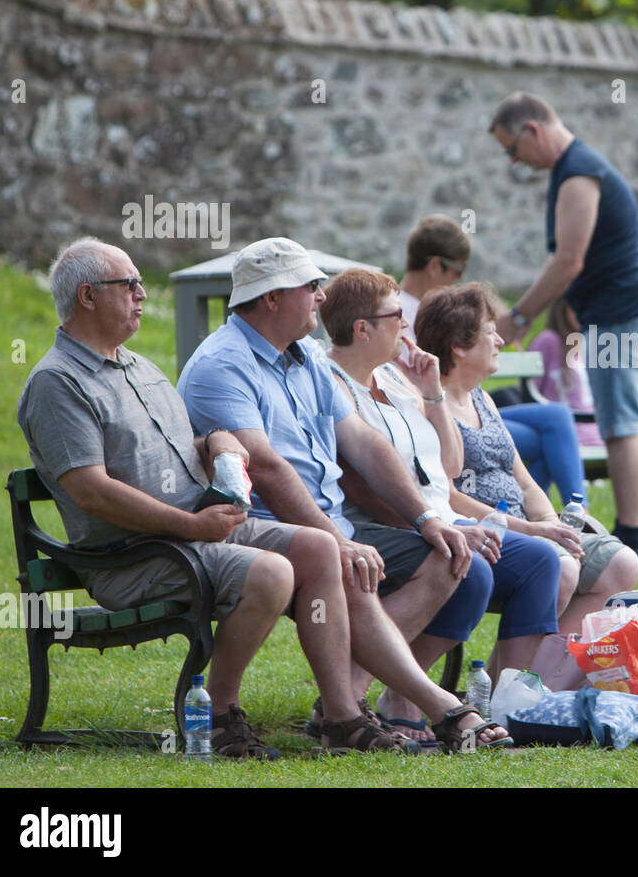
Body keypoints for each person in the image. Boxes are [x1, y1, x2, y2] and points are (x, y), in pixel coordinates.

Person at [17, 238, 410, 756]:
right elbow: (92, 491)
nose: (142, 295)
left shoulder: (139, 368)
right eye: (129, 285)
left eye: (139, 284)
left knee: (319, 547)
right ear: (87, 297)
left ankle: (341, 716)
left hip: (193, 532)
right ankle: (218, 713)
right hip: (135, 556)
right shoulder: (58, 383)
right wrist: (193, 527)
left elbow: (188, 449)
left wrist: (218, 442)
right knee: (273, 572)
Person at [178, 237, 511, 751]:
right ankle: (397, 710)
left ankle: (353, 707)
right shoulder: (222, 364)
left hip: (325, 526)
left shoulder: (307, 357)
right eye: (310, 287)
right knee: (336, 555)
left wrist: (427, 518)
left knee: (447, 553)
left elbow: (362, 442)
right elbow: (265, 469)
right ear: (271, 298)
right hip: (255, 527)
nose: (320, 297)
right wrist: (339, 537)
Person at [319, 268, 561, 737]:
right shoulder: (331, 383)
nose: (406, 325)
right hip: (389, 523)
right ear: (362, 329)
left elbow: (447, 468)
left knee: (540, 562)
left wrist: (430, 393)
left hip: (435, 516)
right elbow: (360, 485)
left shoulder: (394, 376)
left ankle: (489, 701)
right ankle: (359, 697)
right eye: (396, 316)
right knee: (470, 566)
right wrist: (427, 524)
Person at [487, 91, 638, 566]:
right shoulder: (572, 171)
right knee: (616, 420)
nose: (514, 160)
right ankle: (632, 537)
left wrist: (518, 317)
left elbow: (568, 261)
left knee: (620, 425)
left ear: (533, 131)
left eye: (512, 148)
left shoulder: (579, 174)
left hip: (621, 311)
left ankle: (633, 541)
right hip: (610, 311)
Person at [415, 284, 638, 636]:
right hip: (484, 536)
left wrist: (556, 526)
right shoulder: (430, 405)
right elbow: (444, 494)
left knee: (621, 563)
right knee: (561, 566)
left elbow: (522, 479)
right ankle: (513, 676)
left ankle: (543, 672)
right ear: (458, 347)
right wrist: (535, 532)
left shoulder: (482, 399)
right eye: (490, 334)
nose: (500, 341)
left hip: (529, 530)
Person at [400, 214, 589, 509]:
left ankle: (567, 516)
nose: (459, 279)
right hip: (441, 412)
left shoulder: (445, 307)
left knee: (556, 417)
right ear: (435, 265)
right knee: (547, 439)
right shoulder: (400, 316)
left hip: (471, 401)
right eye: (458, 270)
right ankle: (546, 516)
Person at [528, 298, 604, 451]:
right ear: (563, 308)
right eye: (577, 307)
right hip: (563, 433)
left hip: (595, 435)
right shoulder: (548, 341)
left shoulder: (590, 343)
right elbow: (528, 393)